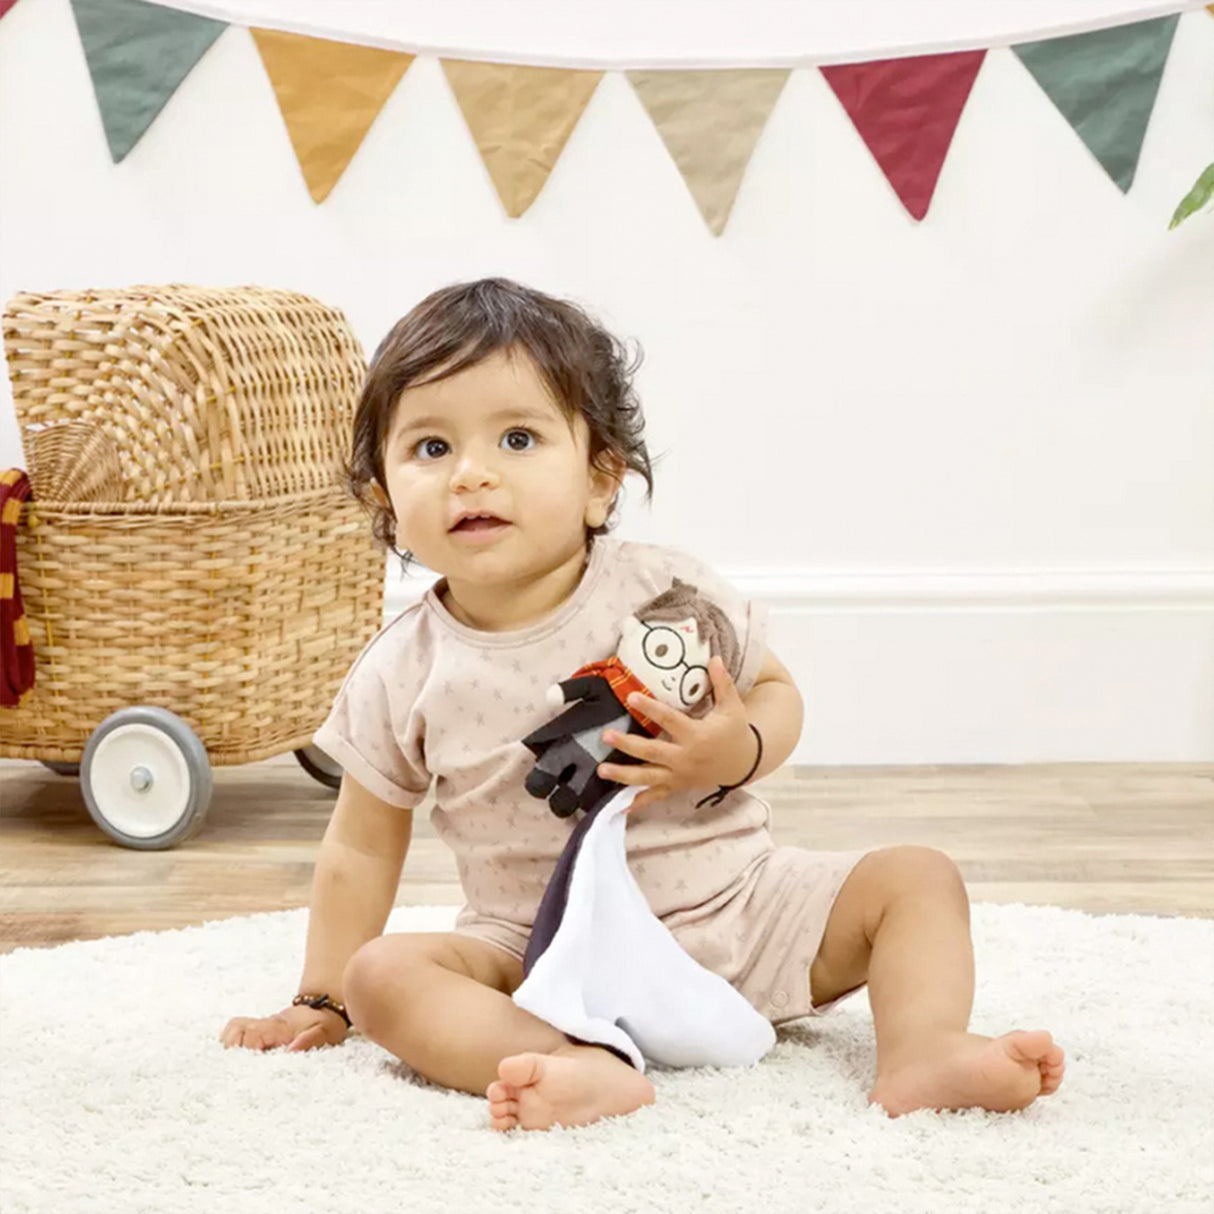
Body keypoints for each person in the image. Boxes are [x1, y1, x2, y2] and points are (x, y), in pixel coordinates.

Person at [219, 278, 1066, 1131]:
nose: (472, 473)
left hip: (738, 912)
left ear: (599, 482)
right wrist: (322, 997)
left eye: (517, 438)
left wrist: (733, 751)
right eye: (431, 448)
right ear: (384, 502)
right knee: (384, 977)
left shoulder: (666, 589)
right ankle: (570, 1064)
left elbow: (776, 691)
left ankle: (923, 1048)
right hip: (540, 957)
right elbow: (360, 849)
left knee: (915, 876)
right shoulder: (402, 666)